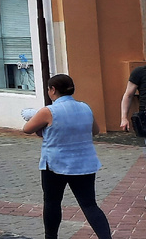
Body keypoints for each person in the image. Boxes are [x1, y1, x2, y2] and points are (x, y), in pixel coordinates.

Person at [23, 74, 112, 239]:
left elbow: (27, 129)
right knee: (89, 205)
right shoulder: (85, 107)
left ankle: (51, 237)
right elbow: (95, 131)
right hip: (84, 163)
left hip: (55, 164)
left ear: (53, 90)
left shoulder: (48, 111)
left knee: (52, 202)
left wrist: (34, 117)